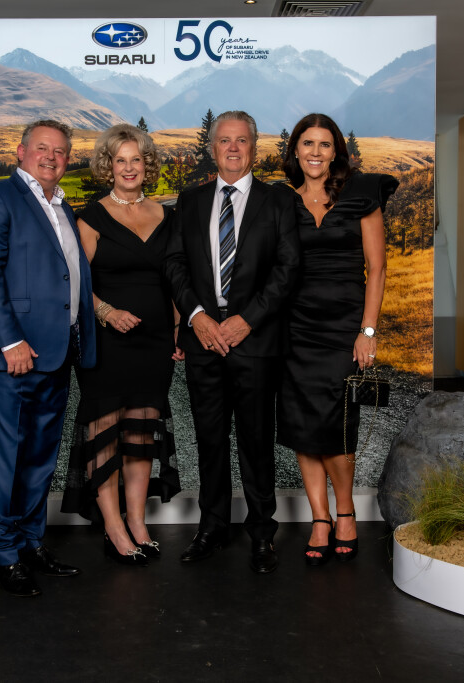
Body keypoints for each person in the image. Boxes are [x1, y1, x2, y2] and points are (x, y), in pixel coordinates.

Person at [0, 120, 97, 596]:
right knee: (8, 457)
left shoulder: (62, 205)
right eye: (42, 148)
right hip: (16, 355)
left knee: (40, 457)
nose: (51, 157)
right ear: (21, 152)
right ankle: (5, 554)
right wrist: (9, 341)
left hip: (57, 353)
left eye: (60, 151)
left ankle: (31, 543)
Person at [165, 110, 300, 574]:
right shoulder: (190, 200)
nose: (233, 148)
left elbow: (288, 269)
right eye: (224, 140)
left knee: (256, 440)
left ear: (254, 148)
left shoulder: (277, 201)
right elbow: (175, 264)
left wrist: (247, 320)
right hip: (203, 338)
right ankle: (212, 528)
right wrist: (198, 317)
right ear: (212, 149)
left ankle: (262, 534)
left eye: (242, 140)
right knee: (209, 438)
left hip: (254, 339)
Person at [277, 113, 398, 565]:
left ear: (336, 152)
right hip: (295, 329)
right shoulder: (282, 202)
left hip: (344, 329)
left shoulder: (361, 196)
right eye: (307, 143)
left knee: (337, 425)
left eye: (324, 144)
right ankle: (320, 518)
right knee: (302, 427)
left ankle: (345, 511)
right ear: (295, 150)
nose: (315, 152)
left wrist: (368, 331)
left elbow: (377, 269)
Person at [61, 124, 182, 566]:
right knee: (106, 432)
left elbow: (175, 279)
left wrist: (177, 329)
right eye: (120, 160)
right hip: (107, 341)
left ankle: (138, 522)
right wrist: (107, 313)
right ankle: (113, 528)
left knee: (140, 433)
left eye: (136, 160)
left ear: (146, 166)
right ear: (108, 166)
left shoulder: (166, 215)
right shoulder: (91, 218)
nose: (129, 168)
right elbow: (74, 282)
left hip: (154, 343)